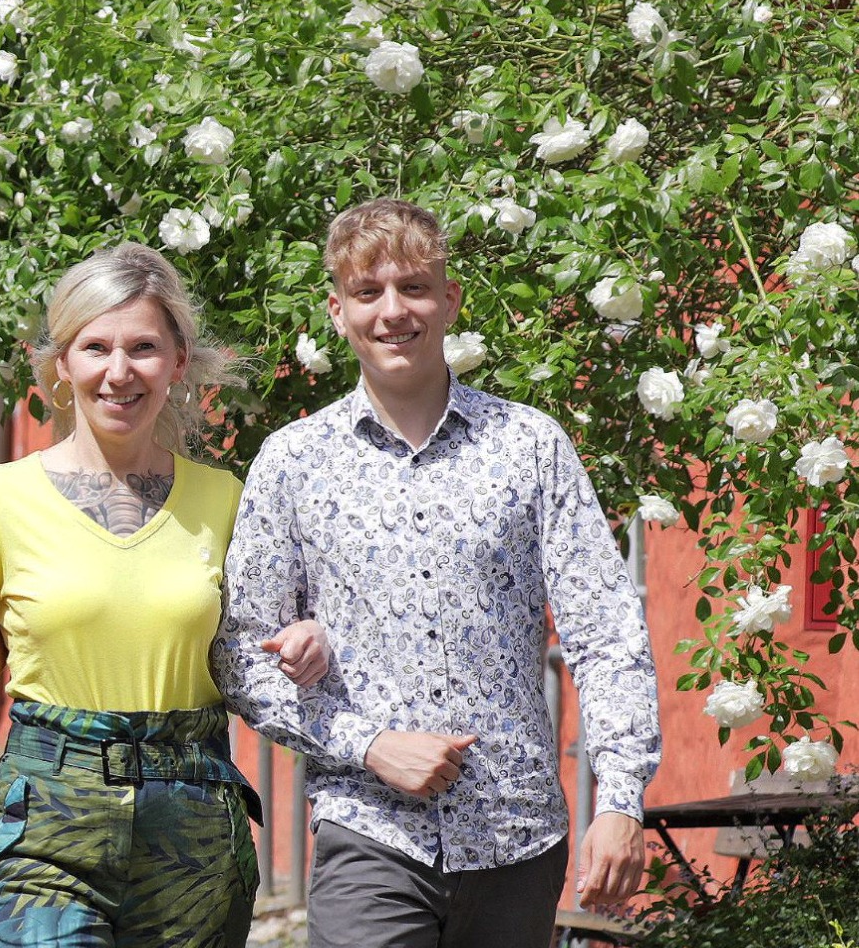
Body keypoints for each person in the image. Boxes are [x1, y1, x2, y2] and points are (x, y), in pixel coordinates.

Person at [212, 199, 659, 948]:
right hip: (368, 831)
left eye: (414, 288)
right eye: (367, 293)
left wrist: (618, 800)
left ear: (449, 300)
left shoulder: (528, 447)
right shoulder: (292, 463)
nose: (393, 311)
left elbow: (605, 632)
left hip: (516, 837)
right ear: (336, 310)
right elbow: (239, 655)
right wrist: (368, 743)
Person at [0, 243, 333, 948]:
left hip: (192, 825)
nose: (118, 372)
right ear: (61, 363)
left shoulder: (224, 502)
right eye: (95, 347)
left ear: (177, 362)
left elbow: (262, 640)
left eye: (143, 348)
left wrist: (304, 636)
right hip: (47, 818)